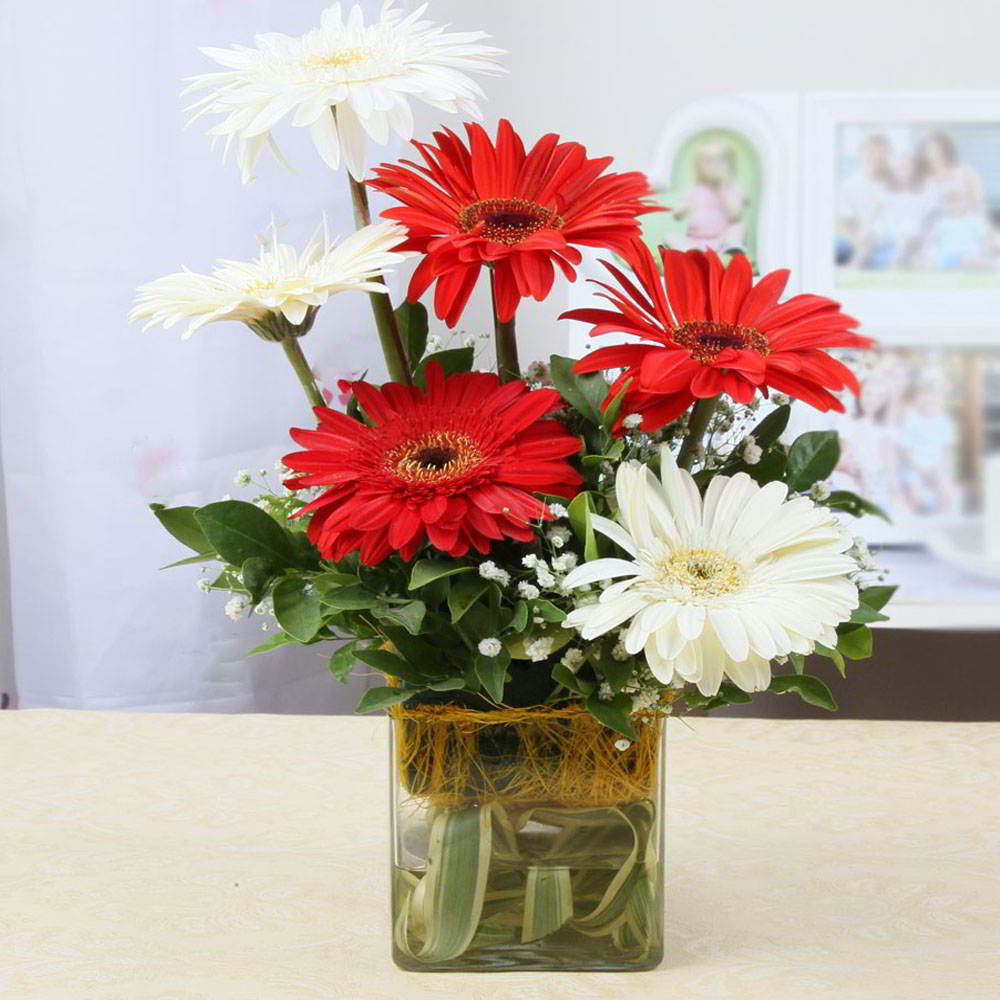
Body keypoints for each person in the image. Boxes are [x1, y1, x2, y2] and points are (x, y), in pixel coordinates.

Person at [915, 130, 991, 270]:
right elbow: (925, 213)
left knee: (972, 257)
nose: (933, 153)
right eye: (928, 149)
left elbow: (979, 204)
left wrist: (981, 228)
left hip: (967, 226)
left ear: (946, 149)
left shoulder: (965, 172)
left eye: (936, 148)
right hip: (942, 230)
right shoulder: (926, 180)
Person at [671, 137, 749, 254]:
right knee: (671, 237)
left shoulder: (732, 188)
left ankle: (732, 249)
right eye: (709, 161)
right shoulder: (695, 190)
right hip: (695, 240)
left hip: (723, 240)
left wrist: (724, 186)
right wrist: (681, 208)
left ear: (730, 165)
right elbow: (677, 215)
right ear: (699, 166)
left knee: (739, 228)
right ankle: (692, 252)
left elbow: (735, 215)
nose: (715, 165)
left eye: (720, 160)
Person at [837, 132, 896, 268]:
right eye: (871, 152)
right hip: (854, 240)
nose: (876, 157)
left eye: (881, 153)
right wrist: (857, 239)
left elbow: (889, 219)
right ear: (861, 154)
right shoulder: (849, 184)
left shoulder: (895, 184)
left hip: (885, 240)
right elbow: (846, 218)